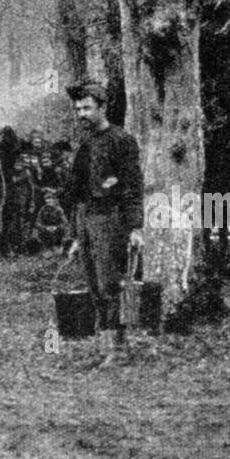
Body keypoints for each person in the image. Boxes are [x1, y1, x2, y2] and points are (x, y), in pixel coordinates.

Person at [65, 82, 143, 365]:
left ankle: (119, 350)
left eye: (87, 108)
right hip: (86, 219)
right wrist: (75, 235)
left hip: (110, 218)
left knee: (111, 283)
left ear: (102, 108)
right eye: (78, 109)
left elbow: (133, 185)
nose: (81, 114)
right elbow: (77, 192)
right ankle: (104, 347)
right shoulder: (85, 144)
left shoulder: (121, 140)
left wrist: (135, 227)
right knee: (94, 284)